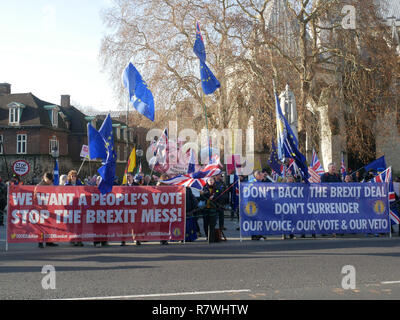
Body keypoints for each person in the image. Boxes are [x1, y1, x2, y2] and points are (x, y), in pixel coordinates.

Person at [37, 172, 58, 248]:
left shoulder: (52, 185)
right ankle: (40, 242)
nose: (49, 181)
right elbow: (35, 197)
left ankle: (49, 241)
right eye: (47, 180)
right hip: (41, 208)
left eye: (50, 180)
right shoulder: (39, 186)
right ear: (44, 178)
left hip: (50, 208)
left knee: (50, 226)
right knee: (41, 226)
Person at [120, 172, 141, 246]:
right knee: (124, 225)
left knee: (135, 225)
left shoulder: (137, 186)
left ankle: (136, 239)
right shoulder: (123, 186)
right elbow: (120, 197)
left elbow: (140, 196)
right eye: (126, 176)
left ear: (132, 177)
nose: (127, 178)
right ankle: (123, 240)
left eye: (129, 176)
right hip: (126, 208)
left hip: (135, 208)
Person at [65, 170, 84, 246]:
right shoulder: (67, 185)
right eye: (72, 176)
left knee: (79, 224)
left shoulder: (79, 184)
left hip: (79, 206)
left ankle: (79, 240)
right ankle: (72, 239)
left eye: (75, 176)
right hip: (71, 207)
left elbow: (83, 191)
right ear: (70, 176)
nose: (74, 177)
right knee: (72, 224)